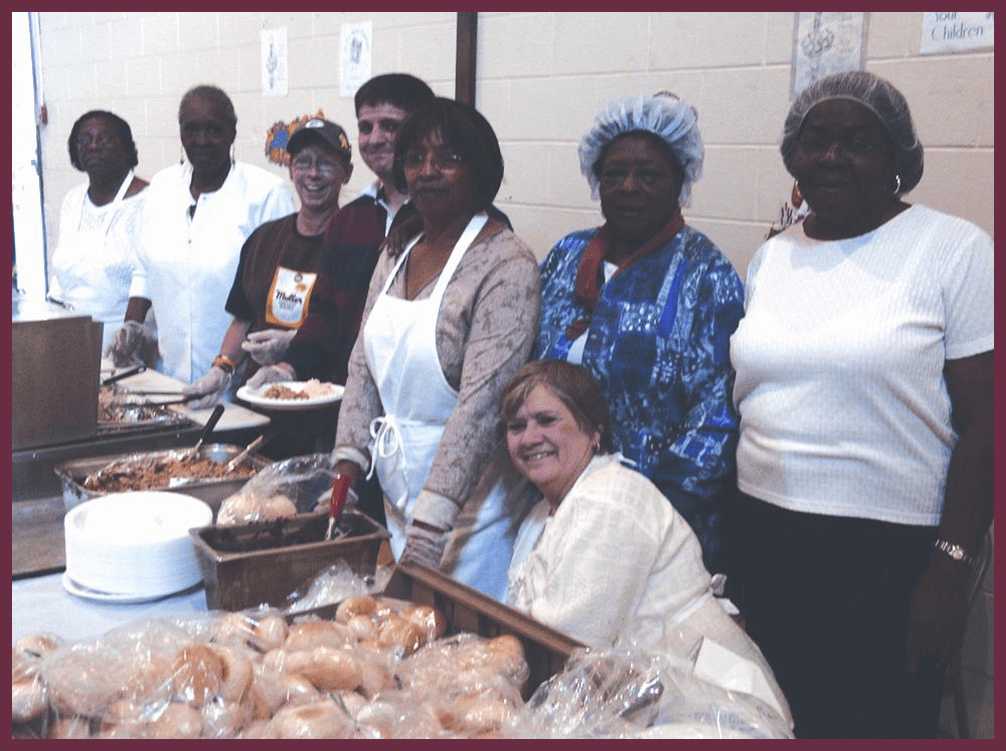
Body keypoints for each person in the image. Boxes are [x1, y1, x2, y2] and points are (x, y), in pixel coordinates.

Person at [729, 71, 994, 738]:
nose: (831, 156)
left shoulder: (954, 250)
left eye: (857, 141)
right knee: (766, 718)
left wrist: (951, 565)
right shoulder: (774, 256)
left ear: (898, 159)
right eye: (815, 141)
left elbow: (988, 422)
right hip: (764, 535)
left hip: (889, 556)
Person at [331, 97, 540, 600]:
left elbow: (483, 406)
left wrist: (431, 529)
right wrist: (346, 470)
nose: (428, 172)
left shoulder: (506, 262)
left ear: (480, 172)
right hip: (399, 502)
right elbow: (363, 365)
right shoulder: (398, 248)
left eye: (447, 159)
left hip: (472, 520)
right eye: (415, 159)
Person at [502, 360, 791, 723]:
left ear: (593, 430)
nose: (530, 438)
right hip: (641, 702)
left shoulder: (610, 499)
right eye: (517, 426)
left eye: (547, 420)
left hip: (713, 707)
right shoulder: (541, 512)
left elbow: (562, 644)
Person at [534, 93, 743, 576]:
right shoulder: (567, 257)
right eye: (614, 174)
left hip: (660, 522)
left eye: (649, 175)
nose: (629, 186)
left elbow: (718, 412)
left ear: (680, 182)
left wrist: (646, 512)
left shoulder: (706, 274)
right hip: (555, 504)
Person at [247, 73, 435, 392]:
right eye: (365, 127)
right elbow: (326, 314)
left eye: (390, 126)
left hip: (421, 402)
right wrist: (287, 368)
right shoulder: (351, 220)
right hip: (346, 401)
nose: (375, 139)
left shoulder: (442, 218)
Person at [109, 84, 295, 383]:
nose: (202, 140)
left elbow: (280, 293)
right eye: (191, 129)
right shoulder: (162, 188)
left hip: (240, 379)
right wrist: (131, 328)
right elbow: (143, 269)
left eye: (214, 129)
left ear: (232, 132)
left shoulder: (266, 194)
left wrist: (257, 366)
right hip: (168, 376)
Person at [182, 119, 353, 409]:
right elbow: (242, 318)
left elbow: (353, 331)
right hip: (258, 396)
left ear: (346, 174)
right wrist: (221, 369)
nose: (313, 174)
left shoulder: (356, 242)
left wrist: (295, 343)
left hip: (325, 404)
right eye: (303, 163)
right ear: (290, 170)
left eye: (325, 164)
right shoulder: (264, 239)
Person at [49, 110, 148, 352]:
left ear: (126, 148)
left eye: (104, 139)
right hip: (70, 337)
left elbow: (145, 277)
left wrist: (127, 336)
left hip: (122, 343)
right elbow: (60, 276)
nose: (93, 146)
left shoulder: (150, 199)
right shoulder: (72, 200)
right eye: (84, 140)